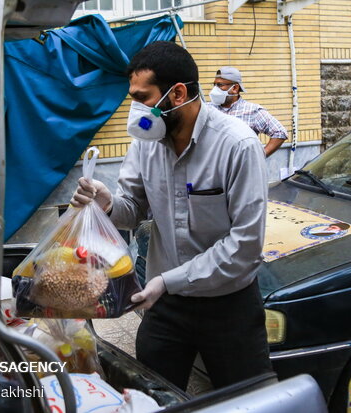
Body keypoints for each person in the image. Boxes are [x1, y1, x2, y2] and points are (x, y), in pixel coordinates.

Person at [70, 41, 272, 390]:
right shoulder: (145, 145)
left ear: (177, 94)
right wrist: (106, 203)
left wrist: (168, 280)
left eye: (142, 98)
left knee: (245, 399)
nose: (135, 111)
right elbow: (132, 209)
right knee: (153, 393)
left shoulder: (237, 145)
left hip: (229, 305)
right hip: (166, 305)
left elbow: (245, 246)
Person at [208, 66, 288, 157]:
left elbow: (280, 132)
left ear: (235, 88)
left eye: (220, 85)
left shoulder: (252, 111)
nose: (215, 89)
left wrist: (259, 157)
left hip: (240, 169)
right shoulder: (208, 109)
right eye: (214, 85)